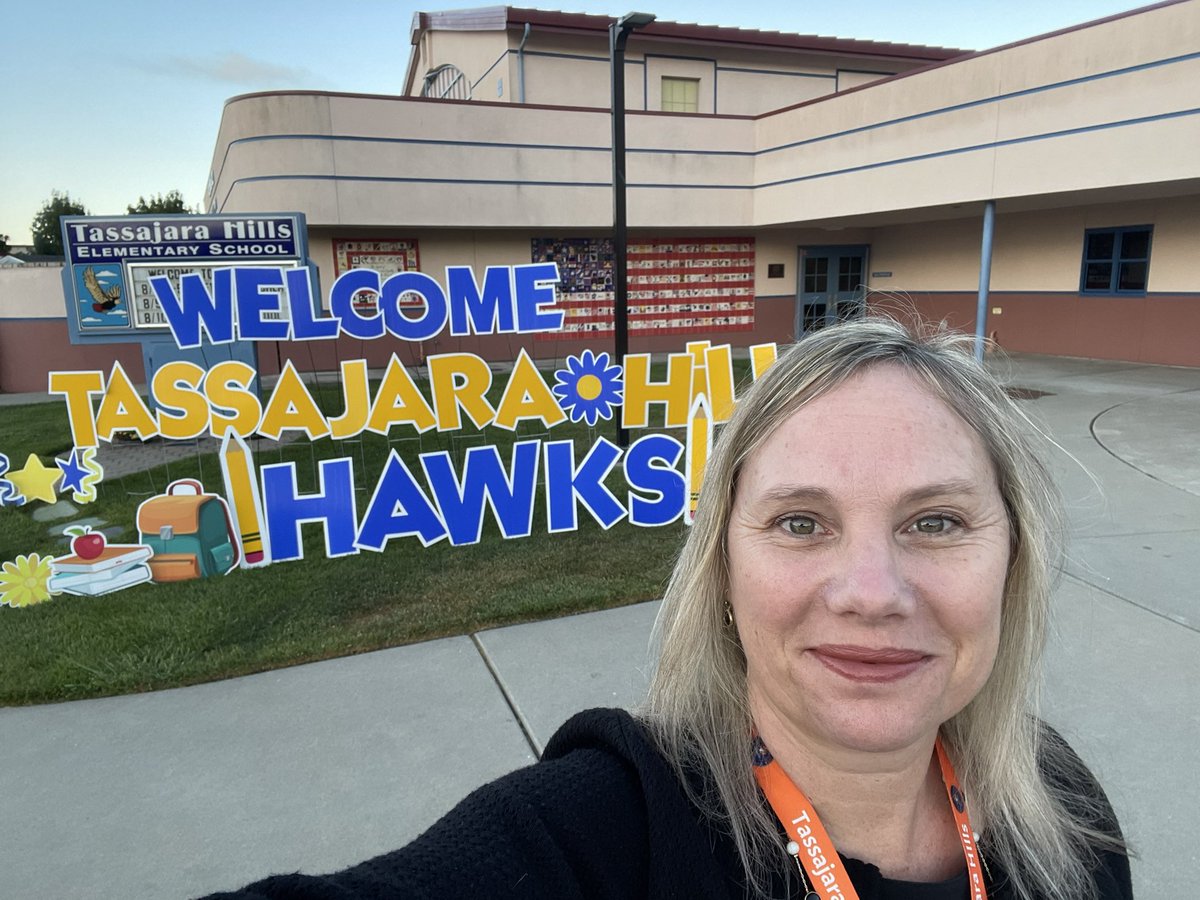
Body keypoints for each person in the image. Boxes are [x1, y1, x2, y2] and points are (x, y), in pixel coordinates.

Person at [206, 317, 1132, 899]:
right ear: (722, 569)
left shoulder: (1059, 802)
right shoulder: (602, 832)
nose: (872, 594)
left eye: (935, 521)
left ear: (1013, 559)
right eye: (801, 522)